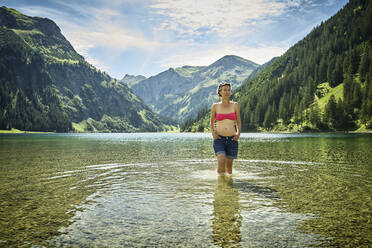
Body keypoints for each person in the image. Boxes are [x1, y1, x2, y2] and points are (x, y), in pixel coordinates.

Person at [210, 82, 241, 176]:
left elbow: (239, 121)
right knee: (221, 159)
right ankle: (221, 185)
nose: (227, 92)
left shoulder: (235, 105)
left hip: (232, 139)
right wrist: (213, 133)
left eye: (228, 90)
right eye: (225, 90)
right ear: (220, 92)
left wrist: (238, 133)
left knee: (229, 168)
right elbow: (211, 121)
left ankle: (228, 185)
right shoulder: (215, 106)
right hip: (219, 139)